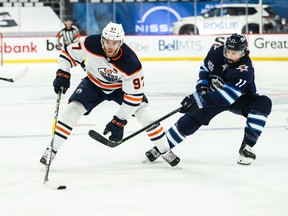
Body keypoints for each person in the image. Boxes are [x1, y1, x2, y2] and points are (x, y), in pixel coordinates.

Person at [40, 22, 180, 167]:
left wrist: (119, 121)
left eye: (114, 42)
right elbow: (67, 54)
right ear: (102, 39)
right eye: (107, 41)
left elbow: (134, 97)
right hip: (93, 84)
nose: (110, 46)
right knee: (71, 111)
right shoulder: (91, 43)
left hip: (120, 88)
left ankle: (165, 150)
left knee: (146, 115)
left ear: (121, 42)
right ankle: (52, 150)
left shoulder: (131, 63)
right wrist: (63, 73)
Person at [145, 33, 272, 166]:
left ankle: (247, 147)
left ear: (244, 52)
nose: (229, 55)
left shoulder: (245, 70)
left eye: (234, 53)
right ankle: (161, 147)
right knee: (192, 118)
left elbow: (226, 98)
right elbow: (205, 69)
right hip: (213, 94)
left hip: (240, 99)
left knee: (263, 103)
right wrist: (202, 90)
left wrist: (198, 99)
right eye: (228, 51)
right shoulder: (216, 50)